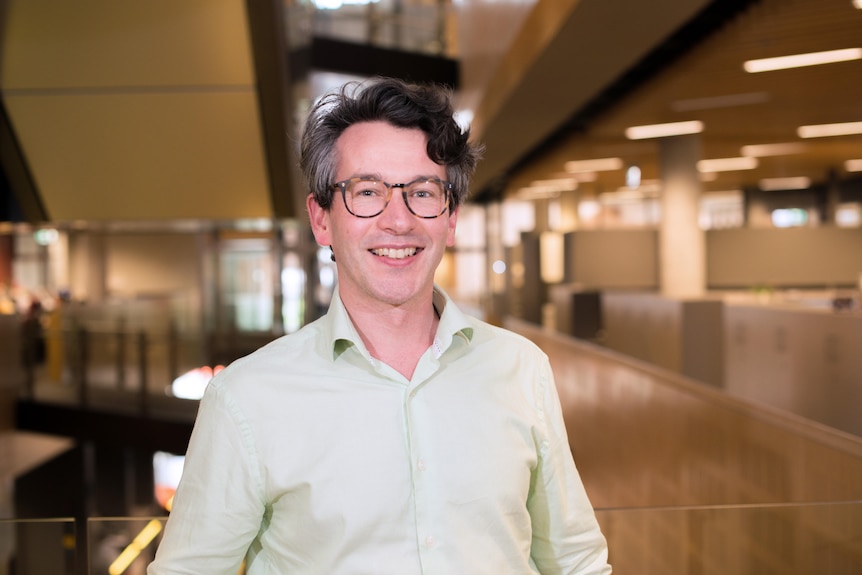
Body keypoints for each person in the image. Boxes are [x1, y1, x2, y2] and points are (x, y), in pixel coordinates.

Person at [148, 77, 611, 574]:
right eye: (366, 191)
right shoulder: (248, 396)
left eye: (423, 192)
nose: (398, 220)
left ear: (450, 218)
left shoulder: (521, 369)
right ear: (321, 218)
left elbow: (576, 560)